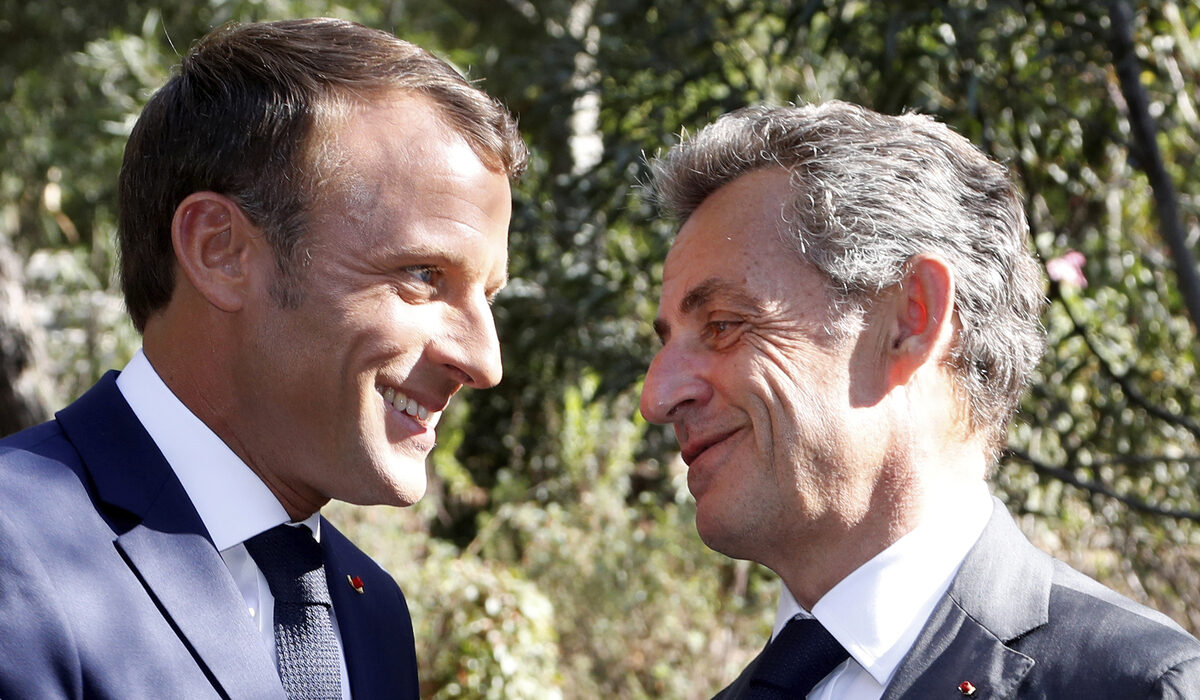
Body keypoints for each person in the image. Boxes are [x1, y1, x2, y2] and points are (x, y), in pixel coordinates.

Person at [0, 17, 526, 699]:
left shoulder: (373, 614)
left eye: (489, 295)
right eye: (425, 275)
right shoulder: (17, 546)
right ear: (220, 251)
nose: (485, 361)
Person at [640, 100, 1200, 699]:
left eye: (723, 325)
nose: (656, 397)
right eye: (666, 341)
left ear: (912, 318)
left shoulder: (1137, 687)